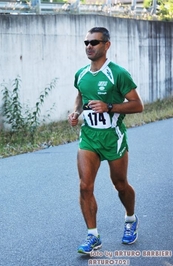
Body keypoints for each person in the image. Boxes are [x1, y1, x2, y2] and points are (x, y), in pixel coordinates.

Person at [68, 27, 144, 255]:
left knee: (120, 184)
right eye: (86, 43)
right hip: (89, 136)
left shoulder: (118, 73)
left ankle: (130, 218)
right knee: (85, 186)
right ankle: (93, 236)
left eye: (94, 42)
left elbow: (138, 105)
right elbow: (80, 95)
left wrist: (109, 106)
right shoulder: (81, 73)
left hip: (113, 137)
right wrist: (75, 112)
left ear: (106, 45)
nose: (89, 46)